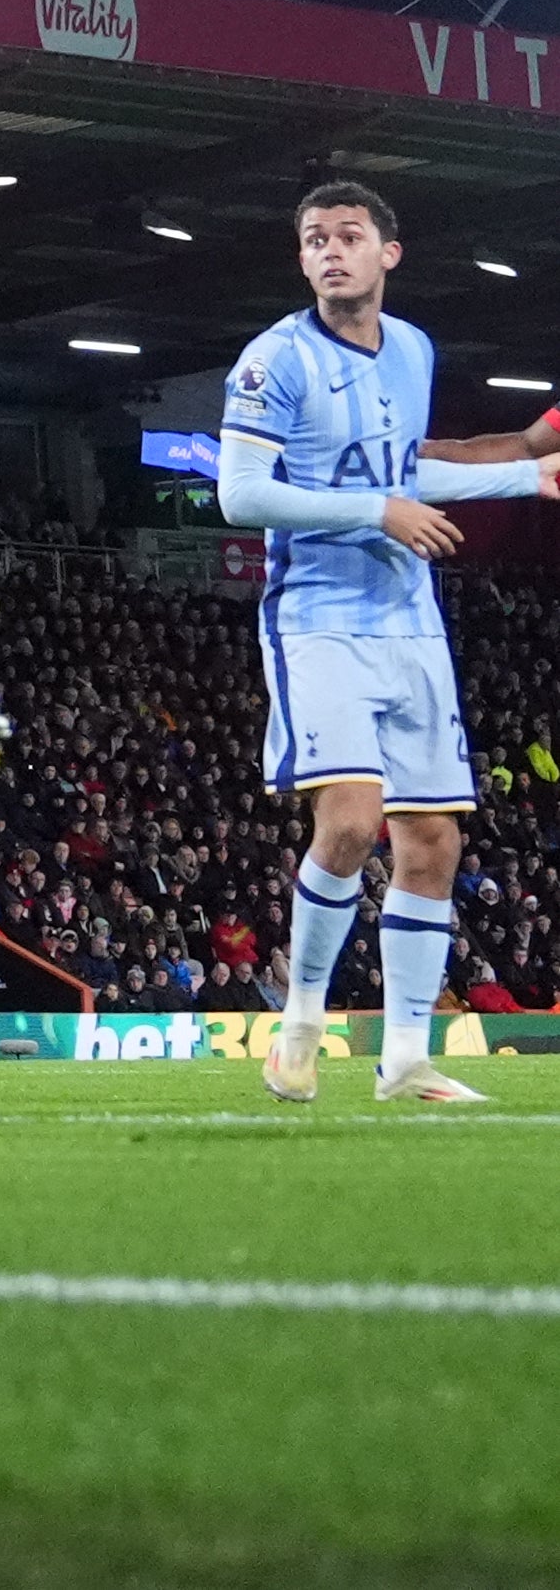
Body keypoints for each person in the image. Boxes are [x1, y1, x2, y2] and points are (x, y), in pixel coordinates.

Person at [213, 179, 560, 1109]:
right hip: (318, 615)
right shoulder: (273, 360)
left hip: (410, 621)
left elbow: (406, 468)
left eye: (349, 235)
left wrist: (528, 479)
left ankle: (405, 1055)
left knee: (433, 841)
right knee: (354, 823)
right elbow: (239, 495)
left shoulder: (411, 349)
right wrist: (377, 511)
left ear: (388, 253)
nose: (331, 250)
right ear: (302, 260)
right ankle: (297, 1029)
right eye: (315, 238)